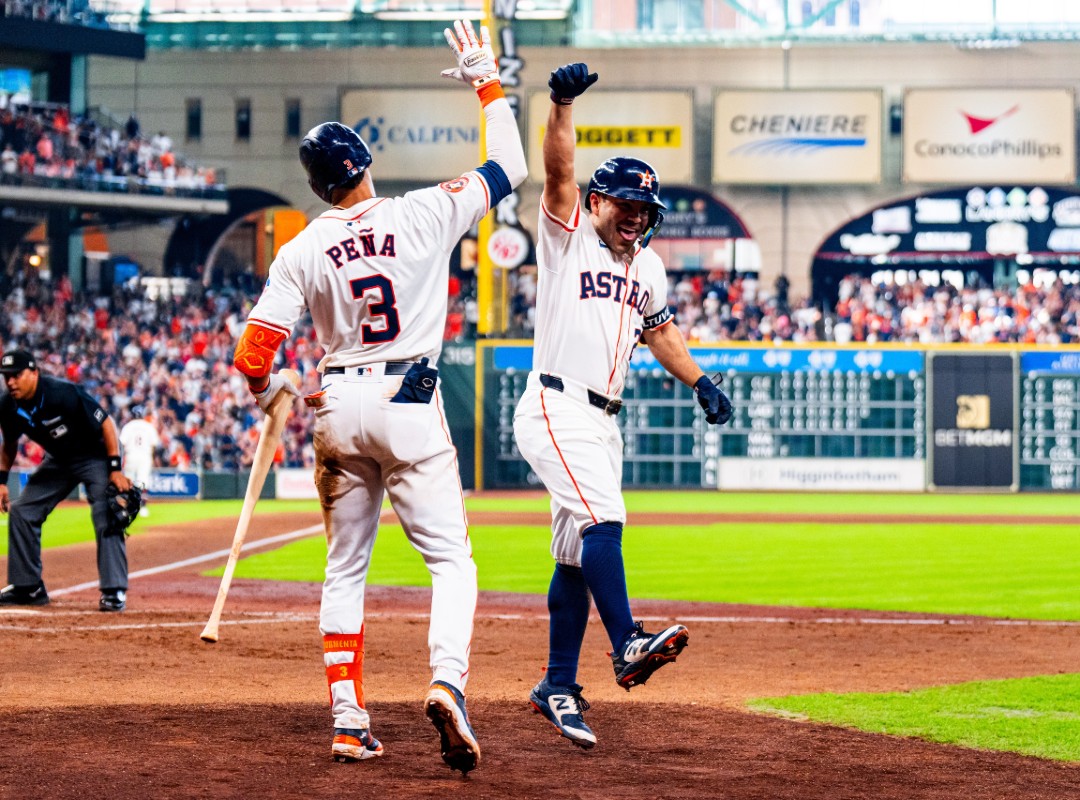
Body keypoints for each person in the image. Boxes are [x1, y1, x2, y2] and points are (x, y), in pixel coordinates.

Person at [231, 19, 525, 774]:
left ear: (316, 186)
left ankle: (348, 719)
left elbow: (252, 354)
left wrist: (271, 392)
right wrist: (485, 80)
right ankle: (447, 684)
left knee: (343, 570)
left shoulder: (299, 247)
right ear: (364, 164)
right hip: (408, 397)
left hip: (337, 406)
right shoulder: (422, 210)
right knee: (451, 563)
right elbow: (511, 165)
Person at [512, 63, 734, 750]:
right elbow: (557, 170)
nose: (634, 217)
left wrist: (698, 380)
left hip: (602, 418)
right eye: (624, 205)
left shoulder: (650, 266)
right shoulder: (566, 235)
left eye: (644, 211)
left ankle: (556, 684)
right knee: (604, 517)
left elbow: (660, 331)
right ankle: (628, 642)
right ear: (599, 202)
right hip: (554, 402)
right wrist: (561, 103)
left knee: (576, 555)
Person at [0, 349, 135, 612]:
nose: (11, 382)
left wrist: (115, 469)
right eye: (6, 377)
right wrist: (2, 481)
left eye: (16, 375)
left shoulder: (61, 393)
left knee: (106, 508)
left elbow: (107, 424)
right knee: (23, 511)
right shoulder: (7, 405)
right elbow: (10, 444)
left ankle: (114, 589)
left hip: (95, 454)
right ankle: (28, 587)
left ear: (34, 372)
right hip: (59, 459)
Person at [119, 405, 160, 517]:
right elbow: (155, 444)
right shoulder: (149, 426)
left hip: (131, 455)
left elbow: (121, 443)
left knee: (129, 482)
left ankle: (128, 508)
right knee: (143, 482)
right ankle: (143, 508)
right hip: (145, 456)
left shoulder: (128, 426)